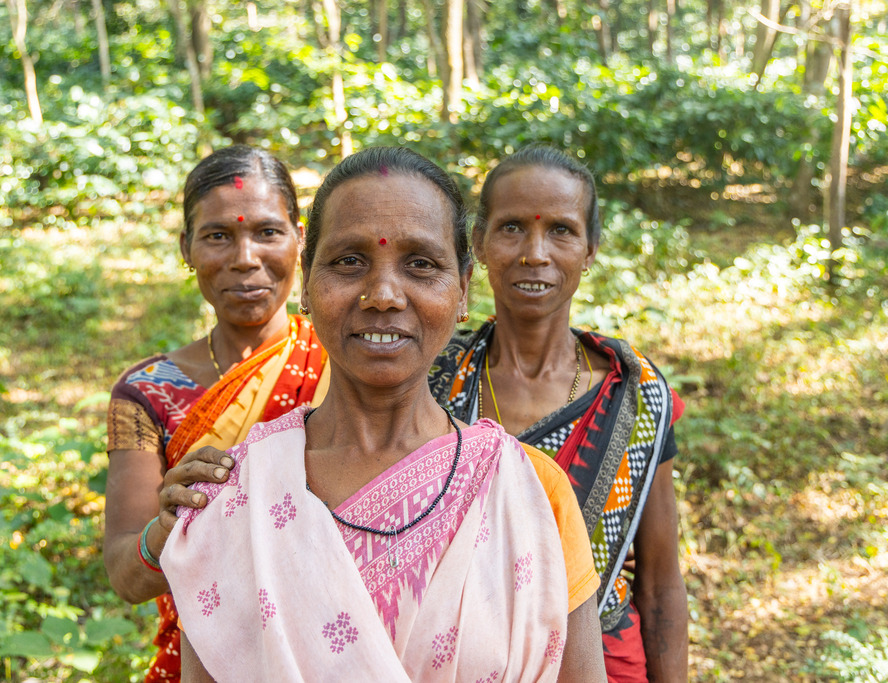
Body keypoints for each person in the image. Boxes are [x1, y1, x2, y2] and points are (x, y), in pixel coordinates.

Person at [161, 147, 608, 682]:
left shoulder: (531, 492)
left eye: (421, 264)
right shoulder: (234, 498)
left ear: (463, 289)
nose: (383, 294)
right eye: (349, 261)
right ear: (307, 282)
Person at [428, 145, 689, 682]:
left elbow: (660, 585)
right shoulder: (431, 381)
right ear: (477, 243)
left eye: (562, 231)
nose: (534, 253)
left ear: (590, 249)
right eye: (512, 228)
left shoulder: (636, 398)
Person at [103, 145, 329, 682]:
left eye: (268, 232)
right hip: (204, 658)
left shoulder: (346, 364)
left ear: (300, 240)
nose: (245, 258)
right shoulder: (147, 393)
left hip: (335, 644)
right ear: (187, 248)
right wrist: (170, 528)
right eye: (218, 236)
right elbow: (126, 576)